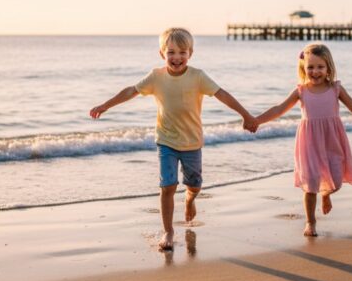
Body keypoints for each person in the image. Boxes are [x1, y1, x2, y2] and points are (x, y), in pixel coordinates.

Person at [90, 28, 257, 250]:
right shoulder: (156, 77)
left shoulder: (198, 77)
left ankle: (189, 199)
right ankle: (168, 232)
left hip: (192, 142)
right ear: (162, 54)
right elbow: (131, 91)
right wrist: (105, 106)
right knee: (167, 186)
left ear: (190, 53)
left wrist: (246, 115)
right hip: (166, 141)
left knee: (194, 185)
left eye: (182, 52)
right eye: (171, 52)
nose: (176, 57)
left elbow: (222, 94)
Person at [255, 43, 352, 237]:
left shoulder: (335, 89)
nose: (315, 71)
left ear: (328, 68)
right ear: (303, 68)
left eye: (320, 67)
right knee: (311, 183)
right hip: (309, 143)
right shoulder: (301, 91)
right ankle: (310, 222)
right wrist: (256, 120)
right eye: (310, 67)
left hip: (332, 139)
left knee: (337, 180)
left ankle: (326, 194)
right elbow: (278, 109)